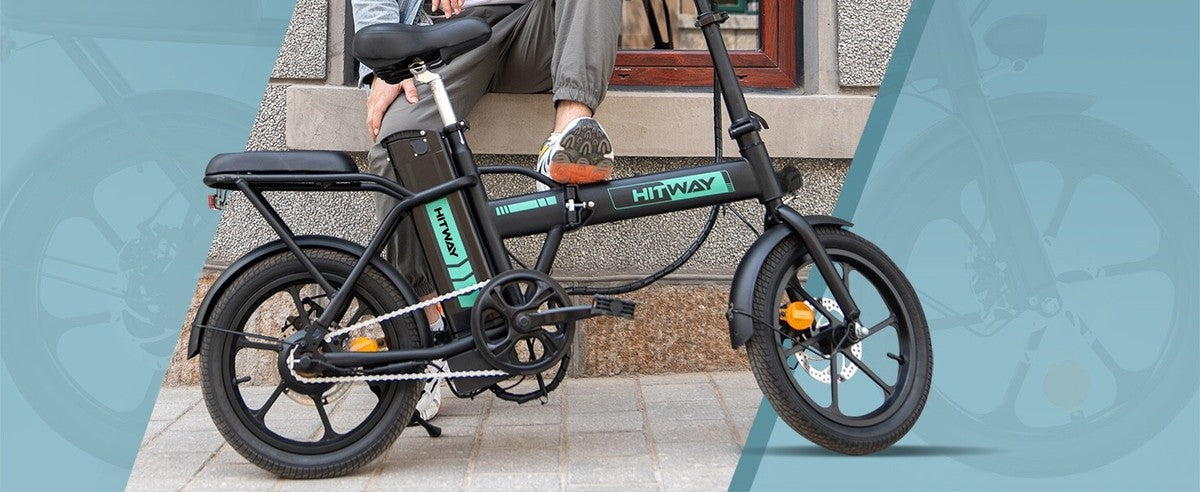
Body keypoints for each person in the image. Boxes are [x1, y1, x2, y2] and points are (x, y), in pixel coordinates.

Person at [351, 0, 623, 421]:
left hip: (528, 23)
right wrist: (383, 64)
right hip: (437, 40)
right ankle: (422, 326)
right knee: (399, 147)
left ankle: (569, 131)